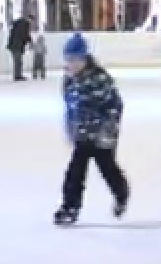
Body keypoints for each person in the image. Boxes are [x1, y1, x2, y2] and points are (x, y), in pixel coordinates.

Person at [54, 33, 129, 226]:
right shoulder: (69, 81)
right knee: (74, 173)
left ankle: (121, 194)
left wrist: (109, 130)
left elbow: (116, 105)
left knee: (108, 170)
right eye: (69, 59)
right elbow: (71, 108)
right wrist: (71, 129)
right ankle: (70, 207)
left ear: (85, 58)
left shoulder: (99, 78)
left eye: (76, 59)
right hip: (83, 136)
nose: (72, 64)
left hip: (102, 135)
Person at [7, 14, 32, 81]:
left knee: (18, 61)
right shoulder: (25, 23)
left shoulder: (19, 23)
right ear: (29, 19)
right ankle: (17, 76)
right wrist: (30, 41)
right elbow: (24, 34)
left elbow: (23, 34)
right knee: (18, 61)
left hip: (14, 45)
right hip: (16, 46)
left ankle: (18, 75)